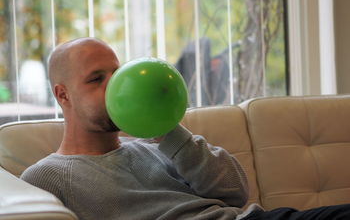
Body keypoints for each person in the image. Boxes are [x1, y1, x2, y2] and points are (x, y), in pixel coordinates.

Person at [21, 37, 350, 220]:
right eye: (97, 79)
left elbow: (235, 192)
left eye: (117, 74)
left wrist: (167, 130)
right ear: (63, 95)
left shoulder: (159, 146)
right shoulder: (48, 176)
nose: (116, 87)